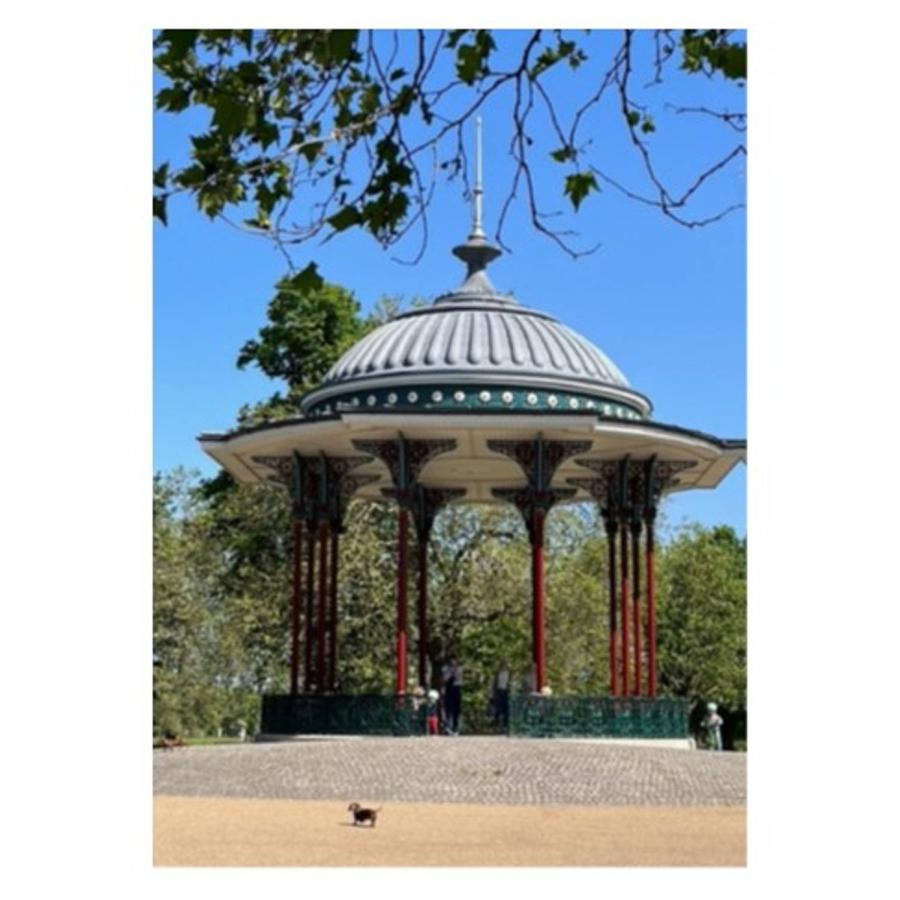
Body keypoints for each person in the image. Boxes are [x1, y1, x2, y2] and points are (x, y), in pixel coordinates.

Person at [442, 658, 463, 735]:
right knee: (448, 708)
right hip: (448, 689)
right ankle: (448, 727)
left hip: (456, 689)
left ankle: (456, 728)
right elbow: (445, 679)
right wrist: (451, 673)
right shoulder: (445, 669)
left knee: (456, 710)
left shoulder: (459, 668)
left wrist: (454, 672)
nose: (453, 662)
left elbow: (459, 677)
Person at [492, 661, 511, 730]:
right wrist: (494, 692)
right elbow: (495, 683)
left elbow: (510, 683)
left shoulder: (509, 674)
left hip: (506, 691)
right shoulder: (497, 674)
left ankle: (505, 724)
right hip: (499, 691)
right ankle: (496, 724)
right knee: (498, 708)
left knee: (506, 708)